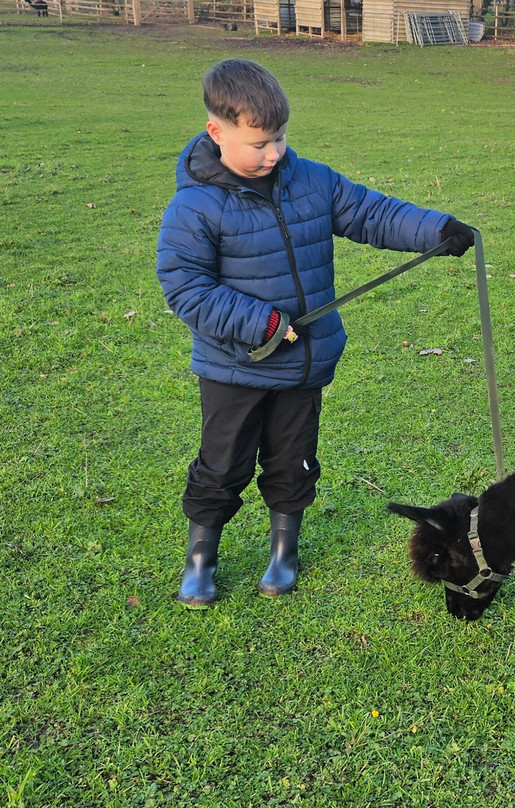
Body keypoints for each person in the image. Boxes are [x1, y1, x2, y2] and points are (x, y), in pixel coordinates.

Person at [156, 59, 475, 608]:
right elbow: (186, 290)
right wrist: (265, 323)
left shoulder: (313, 181)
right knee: (222, 464)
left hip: (302, 368)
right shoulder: (194, 207)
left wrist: (434, 228)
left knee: (293, 460)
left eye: (279, 138)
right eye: (258, 143)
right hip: (235, 367)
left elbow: (371, 213)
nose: (274, 153)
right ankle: (201, 558)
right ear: (217, 132)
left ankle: (285, 552)